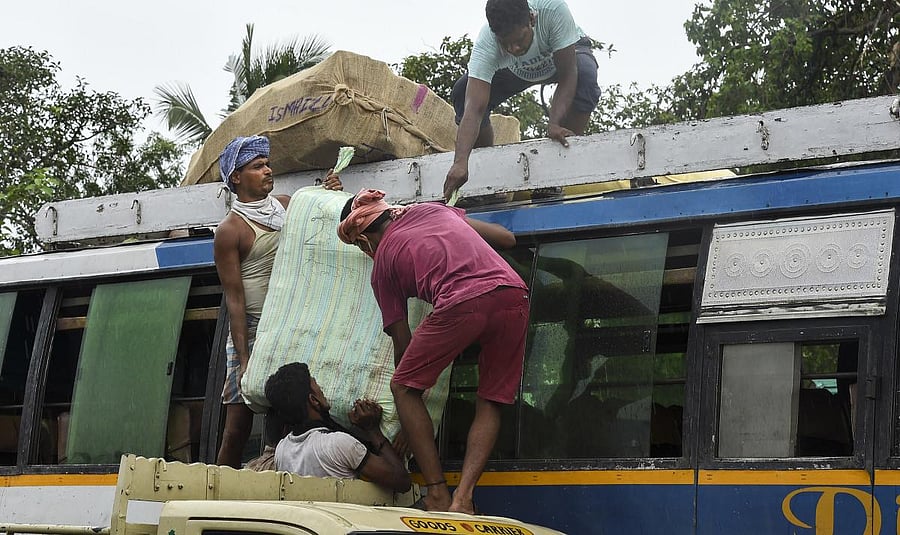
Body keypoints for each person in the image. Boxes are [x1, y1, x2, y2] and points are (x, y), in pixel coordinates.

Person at [337, 189, 529, 514]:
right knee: (491, 398)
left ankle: (438, 493)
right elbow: (507, 238)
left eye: (359, 245)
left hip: (462, 301)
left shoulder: (382, 266)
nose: (364, 250)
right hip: (514, 294)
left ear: (364, 237)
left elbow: (403, 345)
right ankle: (464, 498)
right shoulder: (434, 211)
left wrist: (412, 419)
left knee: (401, 386)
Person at [214, 135, 342, 468]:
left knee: (290, 413)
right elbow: (235, 299)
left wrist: (330, 192)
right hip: (254, 331)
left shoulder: (287, 205)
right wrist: (244, 359)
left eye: (268, 164)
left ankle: (274, 471)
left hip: (290, 324)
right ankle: (216, 491)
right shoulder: (230, 230)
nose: (268, 171)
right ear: (236, 178)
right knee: (237, 426)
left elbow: (323, 218)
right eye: (258, 167)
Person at [444, 0, 601, 199]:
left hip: (563, 58)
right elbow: (474, 108)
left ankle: (555, 173)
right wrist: (460, 162)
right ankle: (487, 178)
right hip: (519, 71)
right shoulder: (487, 43)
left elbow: (569, 74)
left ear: (531, 19)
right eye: (505, 43)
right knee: (461, 91)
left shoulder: (553, 10)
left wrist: (554, 123)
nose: (514, 48)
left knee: (585, 75)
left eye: (519, 39)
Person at [265, 362, 412, 492]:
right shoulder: (338, 443)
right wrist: (373, 430)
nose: (321, 389)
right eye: (316, 385)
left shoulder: (282, 449)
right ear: (314, 400)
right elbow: (401, 481)